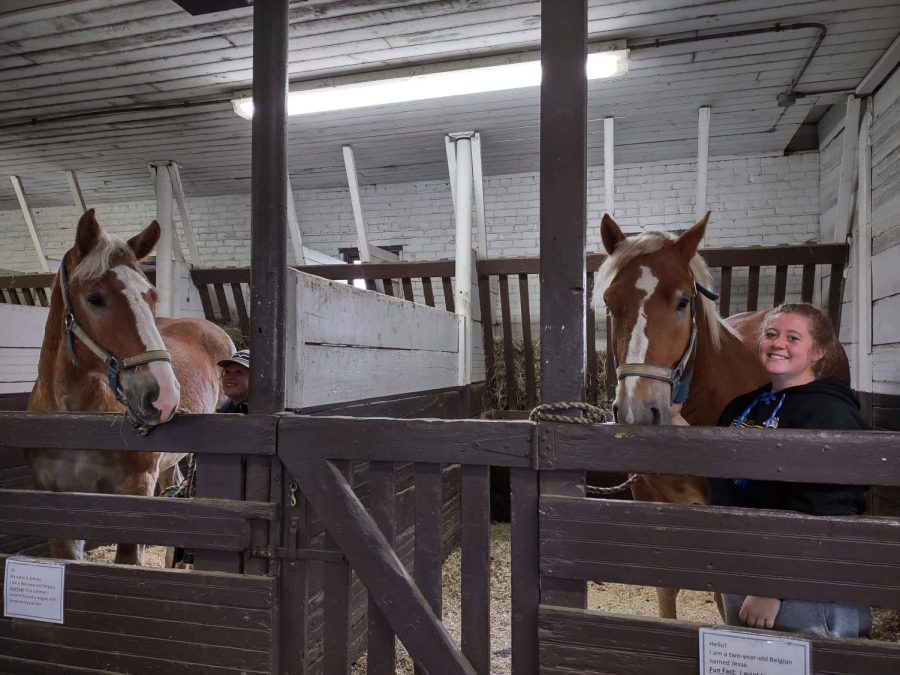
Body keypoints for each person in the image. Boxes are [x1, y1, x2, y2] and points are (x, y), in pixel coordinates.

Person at [675, 303, 870, 638]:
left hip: (802, 585)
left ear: (818, 352)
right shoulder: (744, 405)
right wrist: (674, 421)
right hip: (746, 568)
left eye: (793, 337)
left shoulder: (830, 413)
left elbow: (825, 513)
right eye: (771, 334)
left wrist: (773, 587)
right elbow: (719, 462)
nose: (779, 343)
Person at [217, 349, 250, 414]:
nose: (229, 376)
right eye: (227, 372)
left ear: (255, 379)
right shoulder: (226, 408)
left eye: (239, 372)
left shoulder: (260, 411)